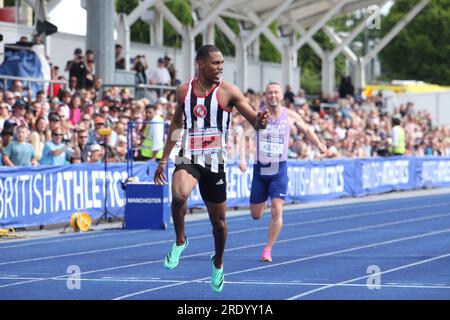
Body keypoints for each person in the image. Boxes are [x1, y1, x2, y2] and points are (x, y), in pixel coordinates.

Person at [153, 44, 268, 293]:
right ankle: (181, 240)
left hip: (214, 163)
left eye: (222, 63)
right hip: (189, 156)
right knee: (179, 197)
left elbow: (255, 123)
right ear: (201, 64)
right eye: (216, 63)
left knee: (219, 224)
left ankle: (217, 262)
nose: (221, 67)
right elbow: (176, 123)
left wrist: (261, 121)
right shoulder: (184, 91)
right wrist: (163, 160)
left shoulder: (229, 91)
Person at [239, 82, 327, 263]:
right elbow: (244, 137)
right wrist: (242, 159)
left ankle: (268, 249)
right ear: (265, 96)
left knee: (277, 210)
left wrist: (318, 144)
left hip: (279, 169)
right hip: (261, 169)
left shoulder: (290, 116)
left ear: (281, 96)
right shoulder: (259, 116)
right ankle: (263, 200)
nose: (273, 96)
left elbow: (307, 130)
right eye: (269, 93)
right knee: (256, 215)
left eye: (276, 92)